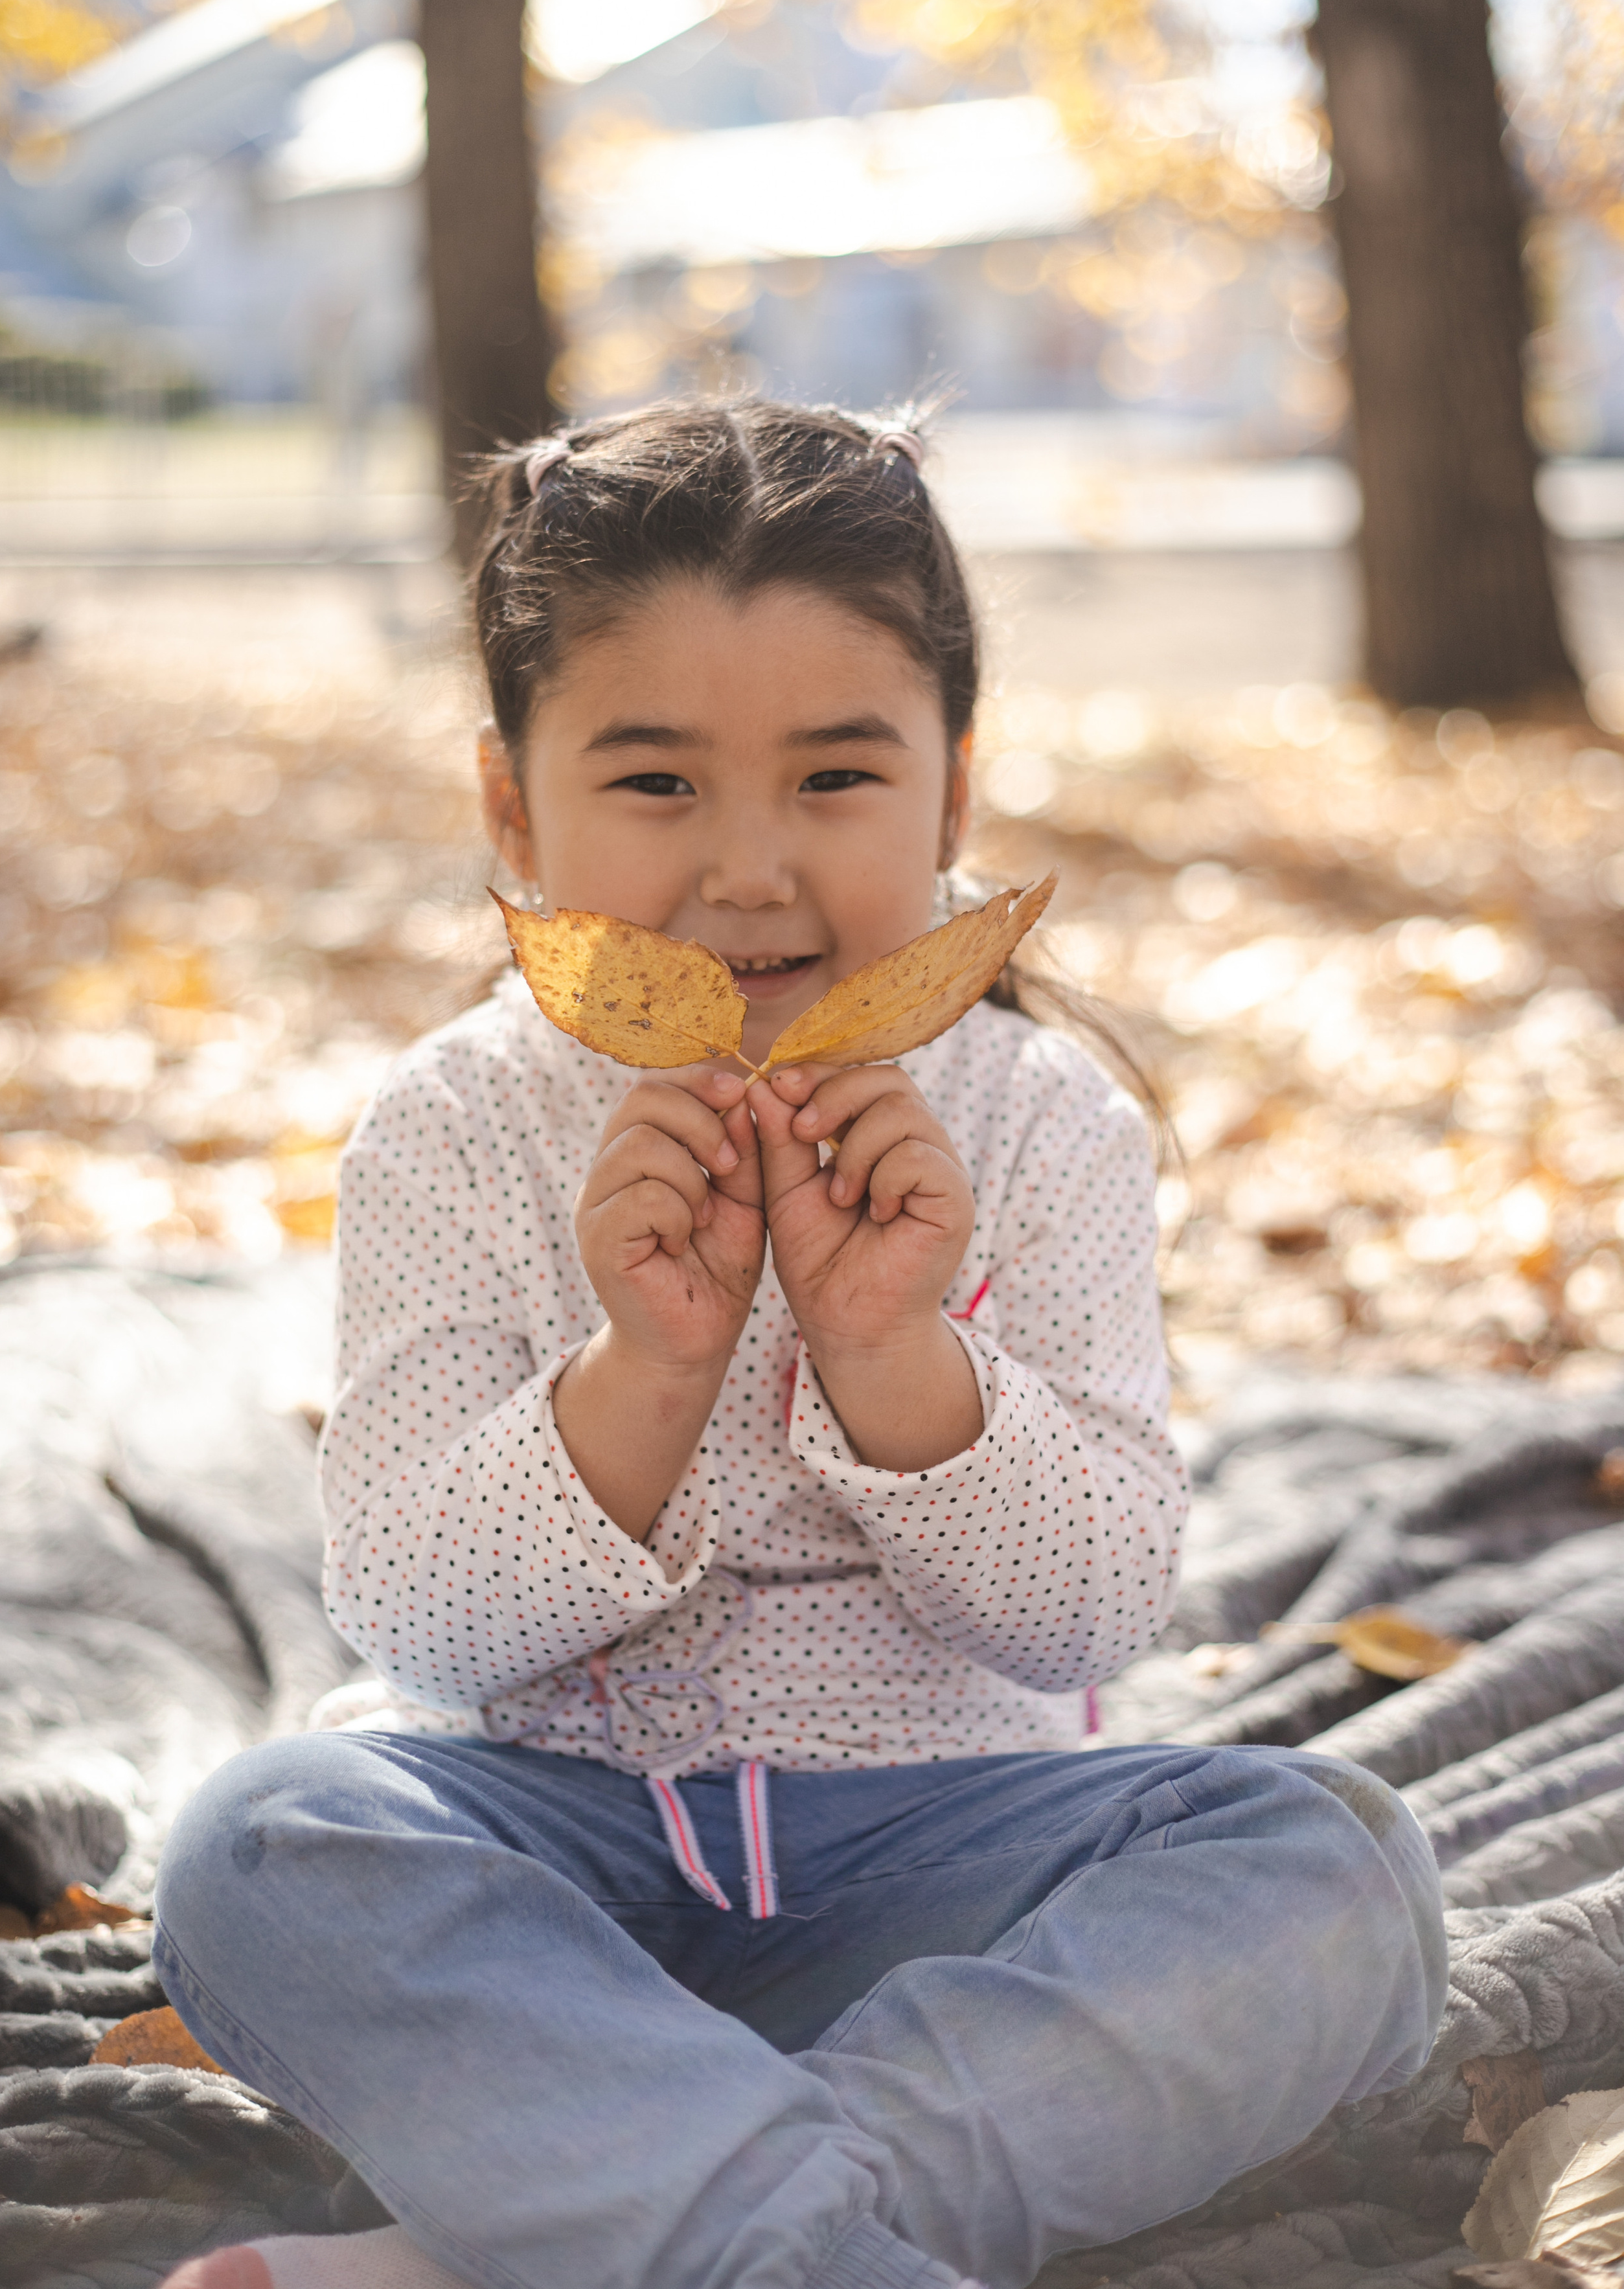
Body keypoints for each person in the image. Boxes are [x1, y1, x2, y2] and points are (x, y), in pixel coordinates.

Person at [157, 400, 1445, 2289]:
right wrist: (644, 1371)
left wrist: (895, 1353)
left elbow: (1091, 1617)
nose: (748, 870)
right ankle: (748, 2221)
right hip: (553, 1888)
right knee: (263, 1842)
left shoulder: (1041, 1129)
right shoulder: (448, 1131)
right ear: (514, 807)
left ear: (955, 796)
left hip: (948, 1893)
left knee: (1341, 1870)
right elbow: (417, 1617)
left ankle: (567, 2227)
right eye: (657, 785)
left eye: (837, 780)